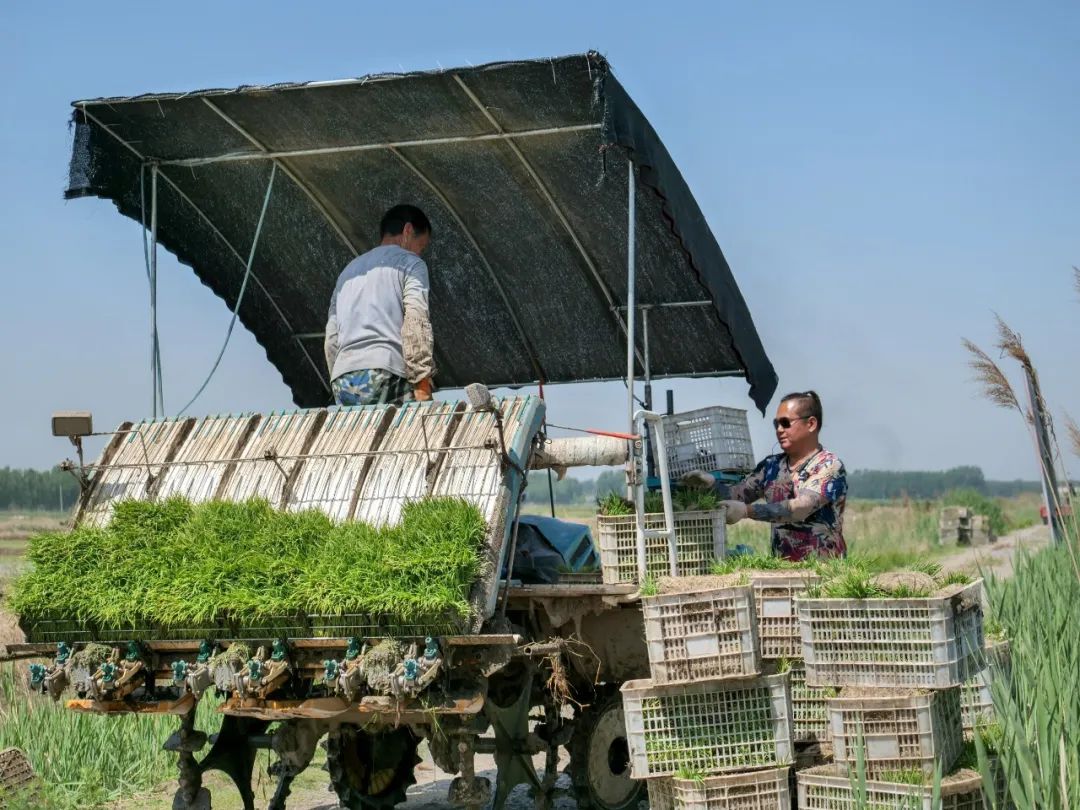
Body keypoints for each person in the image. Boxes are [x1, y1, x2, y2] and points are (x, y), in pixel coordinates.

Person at [684, 391, 847, 561]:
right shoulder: (771, 467)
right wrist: (711, 485)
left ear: (811, 424)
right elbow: (738, 495)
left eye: (785, 423)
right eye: (776, 424)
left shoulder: (828, 466)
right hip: (783, 571)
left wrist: (747, 511)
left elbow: (800, 508)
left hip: (823, 573)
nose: (779, 429)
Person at [324, 205, 437, 406]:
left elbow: (332, 337)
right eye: (421, 246)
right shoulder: (411, 263)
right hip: (385, 372)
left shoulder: (348, 273)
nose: (420, 254)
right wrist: (422, 387)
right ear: (408, 231)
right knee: (410, 434)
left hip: (342, 379)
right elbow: (416, 322)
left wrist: (338, 377)